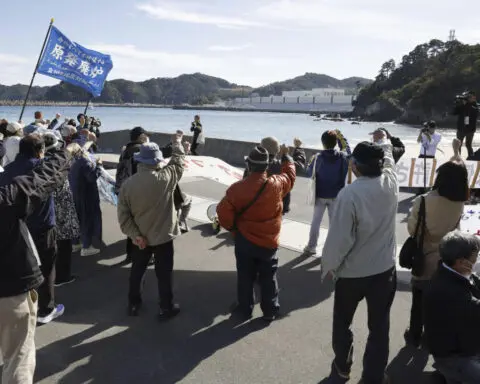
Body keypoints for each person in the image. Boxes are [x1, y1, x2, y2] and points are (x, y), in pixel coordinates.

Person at [321, 141, 398, 384]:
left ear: (355, 166)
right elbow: (389, 159)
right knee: (379, 327)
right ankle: (373, 376)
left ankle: (343, 366)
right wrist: (384, 140)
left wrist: (329, 266)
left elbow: (340, 239)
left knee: (343, 322)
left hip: (352, 273)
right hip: (384, 269)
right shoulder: (390, 182)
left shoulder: (350, 194)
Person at [0, 145, 71, 384]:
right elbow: (43, 179)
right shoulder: (6, 197)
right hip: (9, 290)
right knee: (18, 358)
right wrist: (67, 152)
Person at [217, 145, 296, 321]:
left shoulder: (237, 189)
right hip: (269, 241)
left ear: (249, 166)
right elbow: (290, 176)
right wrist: (287, 158)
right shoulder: (276, 184)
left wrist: (233, 229)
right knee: (269, 276)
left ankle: (245, 309)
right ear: (267, 166)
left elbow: (223, 214)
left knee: (245, 276)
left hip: (245, 240)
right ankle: (271, 310)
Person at [117, 133, 185, 319]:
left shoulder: (127, 185)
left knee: (137, 271)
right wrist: (177, 143)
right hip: (164, 236)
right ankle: (166, 306)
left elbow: (124, 218)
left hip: (140, 238)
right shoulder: (166, 177)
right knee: (164, 274)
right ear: (157, 161)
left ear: (139, 161)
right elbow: (179, 162)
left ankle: (133, 304)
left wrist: (135, 235)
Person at [0, 134, 66, 324]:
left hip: (20, 228)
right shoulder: (41, 169)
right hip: (43, 227)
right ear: (40, 151)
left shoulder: (8, 171)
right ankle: (46, 309)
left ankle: (29, 301)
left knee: (25, 267)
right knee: (47, 268)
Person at [405, 159, 468, 348]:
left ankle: (414, 334)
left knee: (418, 301)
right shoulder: (459, 204)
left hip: (423, 258)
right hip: (446, 259)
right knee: (439, 303)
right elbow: (456, 230)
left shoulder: (423, 200)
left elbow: (411, 229)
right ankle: (431, 338)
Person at [423, 231, 480, 383]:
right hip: (455, 356)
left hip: (463, 343)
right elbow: (475, 309)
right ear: (461, 262)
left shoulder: (451, 270)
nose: (476, 260)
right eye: (475, 256)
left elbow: (474, 282)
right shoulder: (447, 290)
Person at [304, 130, 350, 256]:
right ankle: (332, 249)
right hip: (336, 195)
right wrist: (341, 137)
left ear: (322, 143)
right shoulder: (342, 157)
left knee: (316, 221)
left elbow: (309, 173)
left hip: (320, 194)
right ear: (336, 143)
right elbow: (348, 150)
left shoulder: (317, 158)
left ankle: (311, 246)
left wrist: (309, 164)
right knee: (334, 224)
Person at [44, 134, 81, 287]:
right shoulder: (60, 162)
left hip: (49, 211)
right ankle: (62, 277)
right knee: (64, 247)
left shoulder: (42, 163)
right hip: (62, 211)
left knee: (51, 246)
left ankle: (52, 275)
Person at [115, 127, 150, 263]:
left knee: (131, 223)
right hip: (135, 192)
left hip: (124, 190)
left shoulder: (126, 150)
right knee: (140, 224)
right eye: (145, 135)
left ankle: (130, 254)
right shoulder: (138, 150)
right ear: (140, 136)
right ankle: (138, 255)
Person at [69, 141, 103, 257]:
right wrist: (99, 165)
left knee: (76, 219)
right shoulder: (83, 162)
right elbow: (92, 177)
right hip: (86, 195)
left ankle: (75, 243)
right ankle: (86, 246)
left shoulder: (70, 161)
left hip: (74, 193)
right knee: (86, 219)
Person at [453, 91, 478, 158]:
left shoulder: (475, 105)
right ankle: (458, 159)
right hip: (461, 128)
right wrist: (457, 104)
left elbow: (474, 112)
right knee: (458, 145)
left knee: (468, 145)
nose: (470, 98)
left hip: (470, 129)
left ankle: (471, 158)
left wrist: (466, 104)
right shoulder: (462, 106)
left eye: (471, 97)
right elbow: (454, 112)